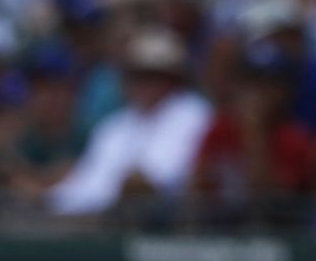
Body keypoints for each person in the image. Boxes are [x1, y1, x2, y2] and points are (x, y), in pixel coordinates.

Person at [48, 29, 212, 217]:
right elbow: (85, 184)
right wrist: (43, 192)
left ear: (174, 77)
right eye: (138, 75)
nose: (145, 83)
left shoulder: (192, 112)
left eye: (154, 75)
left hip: (164, 226)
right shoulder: (116, 124)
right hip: (96, 222)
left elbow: (152, 182)